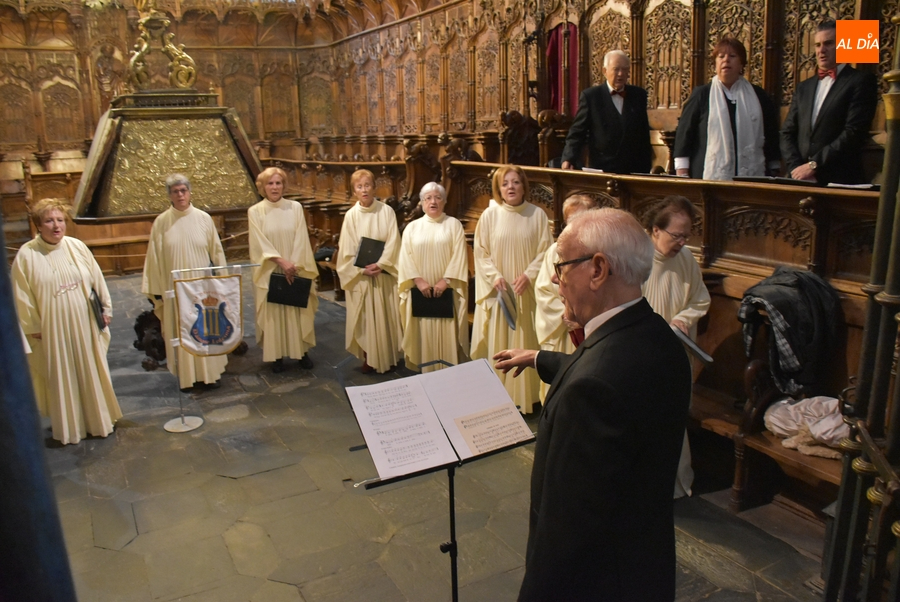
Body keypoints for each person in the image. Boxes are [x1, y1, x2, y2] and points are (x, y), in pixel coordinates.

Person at [493, 208, 692, 601]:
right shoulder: (658, 337)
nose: (554, 278)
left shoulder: (593, 392)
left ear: (598, 269)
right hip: (643, 568)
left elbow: (566, 535)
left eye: (562, 265)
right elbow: (615, 375)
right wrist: (540, 358)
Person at [11, 198, 122, 445]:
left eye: (60, 220)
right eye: (49, 220)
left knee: (91, 369)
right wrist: (34, 327)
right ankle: (71, 428)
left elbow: (96, 279)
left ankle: (99, 421)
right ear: (39, 225)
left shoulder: (77, 247)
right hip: (53, 329)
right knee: (62, 376)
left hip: (84, 323)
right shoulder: (27, 255)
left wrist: (106, 308)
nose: (56, 226)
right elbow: (21, 295)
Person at [642, 195, 711, 499]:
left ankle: (672, 484)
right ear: (655, 230)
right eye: (677, 235)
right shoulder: (635, 259)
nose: (683, 242)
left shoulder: (686, 261)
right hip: (640, 354)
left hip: (674, 354)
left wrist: (683, 319)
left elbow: (700, 299)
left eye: (687, 235)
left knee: (671, 415)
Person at [471, 164, 552, 414]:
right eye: (505, 183)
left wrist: (529, 275)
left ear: (524, 186)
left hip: (526, 292)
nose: (511, 187)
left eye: (515, 182)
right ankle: (500, 396)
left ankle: (527, 398)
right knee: (501, 342)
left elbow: (545, 252)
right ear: (498, 189)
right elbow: (481, 252)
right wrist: (494, 276)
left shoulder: (537, 215)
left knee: (526, 341)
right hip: (501, 293)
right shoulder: (489, 216)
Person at [142, 174, 228, 391]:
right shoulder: (162, 222)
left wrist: (223, 280)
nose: (180, 195)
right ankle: (187, 377)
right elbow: (154, 258)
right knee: (182, 331)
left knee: (206, 329)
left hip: (202, 288)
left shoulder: (203, 219)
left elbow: (216, 251)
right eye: (175, 191)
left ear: (189, 192)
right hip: (175, 290)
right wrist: (157, 290)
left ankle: (210, 374)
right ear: (169, 195)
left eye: (183, 190)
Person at [781, 20, 879, 185]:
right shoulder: (804, 87)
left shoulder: (861, 81)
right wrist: (797, 168)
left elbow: (854, 132)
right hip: (800, 179)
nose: (821, 50)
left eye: (828, 43)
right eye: (817, 45)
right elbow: (787, 132)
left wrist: (814, 165)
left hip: (839, 179)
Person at [674, 37, 780, 180]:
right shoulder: (702, 94)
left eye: (732, 56)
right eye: (721, 56)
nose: (726, 60)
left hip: (752, 179)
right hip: (707, 177)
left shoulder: (758, 96)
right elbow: (685, 134)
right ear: (715, 63)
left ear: (741, 63)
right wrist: (682, 172)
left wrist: (775, 167)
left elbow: (771, 134)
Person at [248, 166, 318, 372]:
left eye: (278, 183)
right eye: (270, 183)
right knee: (274, 311)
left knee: (296, 308)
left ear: (284, 186)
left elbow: (301, 238)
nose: (275, 187)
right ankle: (276, 355)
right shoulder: (255, 211)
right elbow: (259, 243)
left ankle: (301, 352)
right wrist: (281, 262)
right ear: (262, 186)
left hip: (295, 268)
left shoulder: (295, 207)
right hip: (271, 269)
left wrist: (293, 264)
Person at [336, 169, 403, 374]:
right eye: (359, 186)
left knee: (386, 317)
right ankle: (369, 358)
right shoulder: (351, 216)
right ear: (354, 191)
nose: (364, 190)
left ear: (374, 187)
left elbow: (394, 242)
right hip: (361, 278)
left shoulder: (386, 211)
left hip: (383, 275)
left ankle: (388, 357)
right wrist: (361, 270)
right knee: (365, 318)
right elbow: (346, 248)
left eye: (367, 185)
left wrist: (382, 264)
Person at [398, 182, 469, 372]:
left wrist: (445, 280)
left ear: (444, 201)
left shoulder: (453, 225)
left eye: (438, 197)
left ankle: (449, 379)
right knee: (423, 336)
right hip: (422, 292)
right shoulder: (412, 228)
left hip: (446, 292)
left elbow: (459, 255)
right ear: (421, 203)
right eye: (428, 198)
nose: (433, 201)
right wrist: (418, 280)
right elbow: (405, 257)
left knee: (447, 336)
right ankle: (426, 375)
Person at [533, 193, 596, 402]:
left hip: (589, 326)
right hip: (563, 328)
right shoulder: (556, 250)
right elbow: (543, 290)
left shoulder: (598, 252)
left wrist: (584, 314)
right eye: (573, 221)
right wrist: (565, 315)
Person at [560, 50, 653, 174]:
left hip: (633, 169)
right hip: (603, 168)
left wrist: (646, 169)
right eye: (616, 69)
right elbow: (577, 132)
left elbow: (643, 134)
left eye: (625, 69)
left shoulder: (639, 95)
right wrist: (568, 158)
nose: (621, 74)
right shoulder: (591, 96)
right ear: (605, 71)